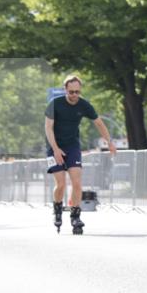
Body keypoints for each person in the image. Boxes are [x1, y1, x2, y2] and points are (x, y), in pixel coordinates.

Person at [44, 75, 116, 234]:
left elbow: (98, 123)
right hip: (53, 146)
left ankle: (75, 215)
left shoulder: (84, 105)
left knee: (77, 182)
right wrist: (55, 149)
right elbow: (48, 128)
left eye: (77, 91)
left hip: (72, 146)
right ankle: (57, 209)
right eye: (71, 92)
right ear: (65, 90)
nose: (74, 95)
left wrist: (109, 142)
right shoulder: (54, 104)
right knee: (61, 184)